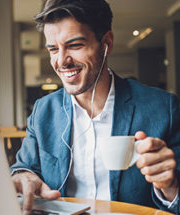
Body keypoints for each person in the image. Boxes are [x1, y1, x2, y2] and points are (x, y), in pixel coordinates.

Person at [11, 0, 180, 214]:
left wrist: (171, 187)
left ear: (106, 42)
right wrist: (23, 176)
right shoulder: (43, 111)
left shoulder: (163, 108)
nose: (61, 61)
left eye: (74, 45)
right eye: (53, 49)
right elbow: (23, 168)